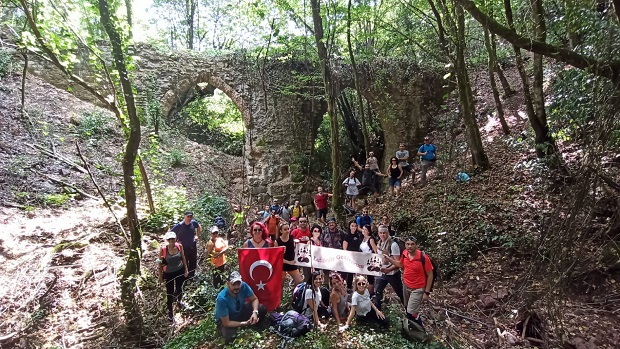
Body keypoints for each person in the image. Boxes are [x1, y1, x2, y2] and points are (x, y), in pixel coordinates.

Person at [383, 236, 434, 326]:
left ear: (416, 245)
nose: (410, 246)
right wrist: (389, 259)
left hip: (418, 288)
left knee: (411, 311)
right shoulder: (405, 253)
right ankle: (412, 327)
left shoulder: (423, 258)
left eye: (412, 244)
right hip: (406, 285)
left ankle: (420, 330)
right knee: (407, 308)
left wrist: (426, 292)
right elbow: (401, 264)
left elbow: (430, 275)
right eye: (407, 244)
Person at [215, 271, 268, 343]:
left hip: (240, 310)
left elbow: (254, 299)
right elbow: (226, 323)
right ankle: (245, 326)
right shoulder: (222, 299)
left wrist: (255, 312)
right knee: (230, 335)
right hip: (227, 319)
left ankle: (254, 325)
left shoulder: (244, 286)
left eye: (238, 284)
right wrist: (244, 323)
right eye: (233, 284)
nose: (236, 287)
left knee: (262, 308)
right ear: (228, 283)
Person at [158, 231, 189, 321]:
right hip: (168, 273)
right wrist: (160, 275)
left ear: (175, 239)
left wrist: (186, 269)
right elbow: (159, 262)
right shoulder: (163, 249)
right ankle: (170, 312)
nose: (172, 241)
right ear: (168, 240)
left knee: (179, 288)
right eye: (170, 239)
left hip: (179, 270)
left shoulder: (179, 246)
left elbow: (183, 257)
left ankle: (179, 301)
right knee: (169, 292)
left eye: (173, 239)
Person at [374, 225, 404, 311]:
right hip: (382, 272)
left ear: (388, 233)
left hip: (393, 274)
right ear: (378, 233)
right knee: (378, 291)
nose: (382, 235)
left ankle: (410, 312)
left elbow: (398, 262)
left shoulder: (393, 245)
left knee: (400, 293)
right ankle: (378, 313)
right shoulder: (379, 243)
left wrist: (388, 270)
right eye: (381, 233)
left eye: (384, 233)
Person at [171, 211, 201, 279]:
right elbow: (171, 233)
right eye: (188, 216)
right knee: (184, 263)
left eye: (191, 216)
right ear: (184, 216)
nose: (189, 218)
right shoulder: (179, 225)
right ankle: (184, 277)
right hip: (183, 248)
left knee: (193, 261)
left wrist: (197, 235)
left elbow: (198, 226)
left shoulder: (193, 223)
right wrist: (175, 243)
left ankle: (191, 276)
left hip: (193, 246)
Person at [342, 220, 363, 291]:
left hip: (356, 256)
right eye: (352, 226)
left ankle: (353, 287)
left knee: (353, 272)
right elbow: (344, 247)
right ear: (349, 226)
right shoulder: (347, 236)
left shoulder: (358, 235)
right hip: (348, 257)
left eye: (355, 226)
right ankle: (344, 286)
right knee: (346, 272)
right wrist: (348, 255)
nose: (354, 227)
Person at [359, 225, 378, 294]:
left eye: (365, 229)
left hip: (370, 261)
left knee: (370, 278)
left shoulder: (371, 239)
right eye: (363, 229)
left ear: (369, 231)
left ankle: (371, 293)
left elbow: (375, 251)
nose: (364, 231)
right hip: (363, 260)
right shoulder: (362, 239)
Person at [292, 217, 312, 282]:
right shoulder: (295, 231)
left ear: (307, 222)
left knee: (307, 273)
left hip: (307, 255)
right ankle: (296, 286)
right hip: (297, 255)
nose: (303, 223)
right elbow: (290, 241)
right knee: (296, 272)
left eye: (304, 221)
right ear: (298, 222)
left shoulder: (310, 231)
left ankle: (307, 285)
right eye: (301, 222)